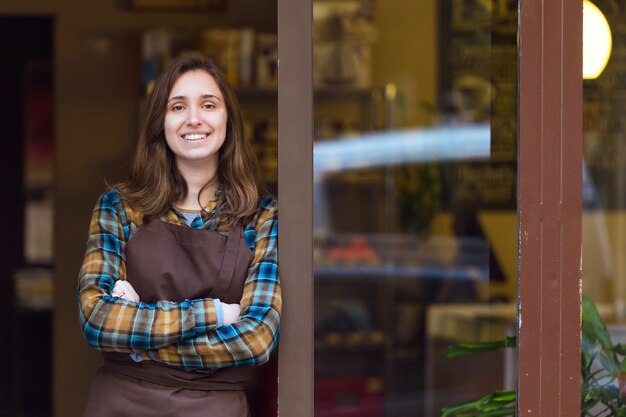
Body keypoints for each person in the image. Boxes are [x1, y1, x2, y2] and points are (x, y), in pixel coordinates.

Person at [77, 54, 281, 417]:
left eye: (208, 104)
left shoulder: (262, 216)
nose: (193, 119)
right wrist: (217, 314)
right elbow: (97, 320)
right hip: (121, 405)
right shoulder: (119, 207)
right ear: (161, 123)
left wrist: (139, 341)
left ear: (228, 120)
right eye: (177, 106)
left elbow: (256, 340)